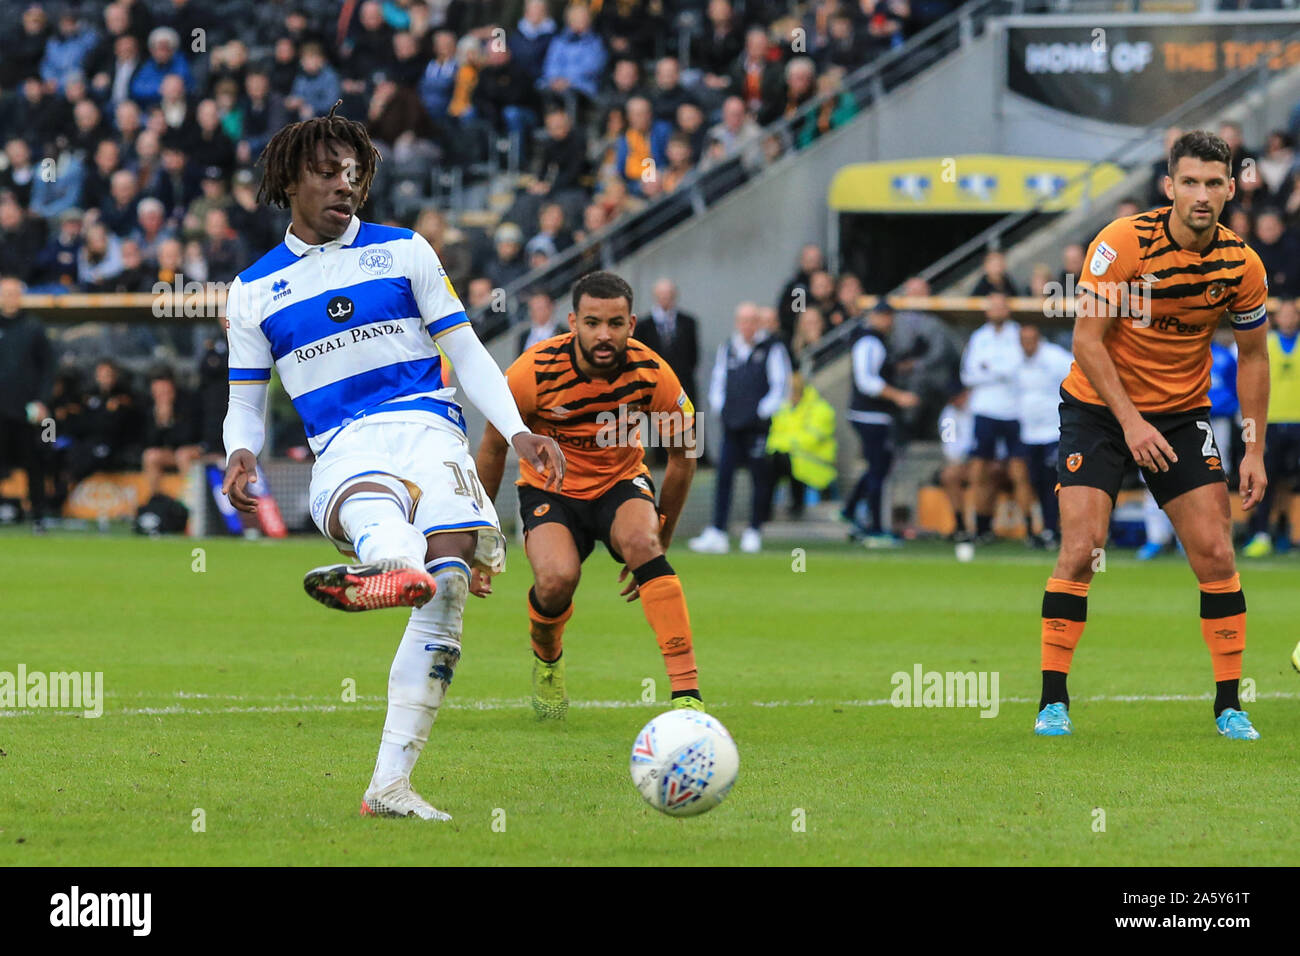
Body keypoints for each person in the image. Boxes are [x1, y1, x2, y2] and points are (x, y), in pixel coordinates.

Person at [221, 106, 564, 822]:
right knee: (390, 530)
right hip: (344, 444)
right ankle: (389, 567)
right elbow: (246, 400)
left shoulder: (406, 250)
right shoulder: (252, 291)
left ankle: (390, 786)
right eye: (325, 172)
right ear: (290, 180)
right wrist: (239, 451)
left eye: (354, 173)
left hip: (430, 430)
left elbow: (466, 351)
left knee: (448, 588)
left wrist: (518, 429)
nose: (344, 185)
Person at [1035, 130, 1270, 741]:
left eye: (1213, 183)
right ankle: (1052, 701)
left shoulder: (1242, 264)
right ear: (1168, 187)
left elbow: (1253, 359)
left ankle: (1229, 706)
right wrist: (1131, 422)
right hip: (1098, 408)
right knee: (1083, 548)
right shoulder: (1123, 244)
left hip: (1180, 415)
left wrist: (1254, 448)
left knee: (1217, 554)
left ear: (1230, 188)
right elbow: (1086, 341)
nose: (1201, 194)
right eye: (1189, 181)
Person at [475, 271, 703, 719]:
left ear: (632, 324)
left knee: (643, 544)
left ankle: (687, 693)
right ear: (573, 321)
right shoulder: (532, 371)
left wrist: (664, 532)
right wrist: (480, 539)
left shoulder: (654, 373)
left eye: (615, 324)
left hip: (619, 484)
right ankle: (547, 657)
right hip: (549, 489)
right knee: (557, 580)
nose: (604, 334)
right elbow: (492, 448)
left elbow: (683, 456)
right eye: (593, 322)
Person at [689, 302, 791, 554]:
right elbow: (718, 380)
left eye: (752, 321)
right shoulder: (729, 347)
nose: (747, 326)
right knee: (724, 475)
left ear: (759, 323)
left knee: (759, 477)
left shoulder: (772, 348)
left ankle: (754, 529)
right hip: (732, 424)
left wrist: (761, 412)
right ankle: (718, 530)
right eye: (743, 321)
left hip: (757, 426)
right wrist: (720, 408)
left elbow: (781, 386)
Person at [841, 302, 918, 546]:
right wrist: (899, 396)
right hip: (869, 415)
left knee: (879, 466)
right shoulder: (869, 341)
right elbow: (867, 381)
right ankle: (874, 527)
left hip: (874, 415)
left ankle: (852, 510)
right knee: (878, 470)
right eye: (885, 316)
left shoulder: (877, 341)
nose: (889, 321)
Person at [961, 292, 1029, 542]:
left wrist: (989, 369)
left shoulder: (1018, 334)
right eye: (993, 306)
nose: (997, 310)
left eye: (1001, 306)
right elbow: (968, 374)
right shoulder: (979, 337)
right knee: (979, 470)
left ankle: (1031, 529)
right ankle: (980, 527)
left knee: (1019, 470)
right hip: (985, 410)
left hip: (1013, 410)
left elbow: (1019, 370)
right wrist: (998, 372)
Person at [1242, 298, 1300, 557]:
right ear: (1277, 319)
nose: (1287, 319)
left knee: (1293, 484)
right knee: (1266, 480)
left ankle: (1290, 532)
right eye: (1283, 315)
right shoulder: (1266, 344)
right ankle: (1262, 534)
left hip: (1298, 421)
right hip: (1271, 423)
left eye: (1292, 315)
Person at [0, 276, 54, 531]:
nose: (10, 298)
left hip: (26, 410)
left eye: (14, 293)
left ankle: (39, 515)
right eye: (6, 293)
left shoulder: (34, 328)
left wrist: (42, 401)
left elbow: (48, 368)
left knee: (34, 461)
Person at [1014, 323, 1073, 548]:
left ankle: (1053, 529)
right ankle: (1039, 529)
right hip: (1028, 431)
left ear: (1038, 339)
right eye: (1023, 341)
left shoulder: (1055, 358)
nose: (1026, 345)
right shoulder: (1018, 362)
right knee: (1034, 481)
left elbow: (1075, 379)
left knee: (1053, 482)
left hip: (1052, 430)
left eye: (1030, 340)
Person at [766, 370, 837, 519]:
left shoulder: (820, 409)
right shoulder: (783, 408)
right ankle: (765, 509)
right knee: (770, 462)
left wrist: (786, 444)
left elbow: (811, 439)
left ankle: (795, 507)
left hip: (814, 461)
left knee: (789, 462)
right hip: (790, 457)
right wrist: (787, 445)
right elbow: (773, 435)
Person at [632, 278, 700, 408]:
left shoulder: (688, 323)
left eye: (668, 295)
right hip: (653, 388)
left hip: (682, 387)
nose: (665, 298)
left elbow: (693, 357)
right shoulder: (643, 326)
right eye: (661, 295)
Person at [140, 367, 204, 499]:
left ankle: (192, 500)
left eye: (165, 391)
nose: (162, 395)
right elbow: (149, 442)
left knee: (183, 455)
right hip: (172, 452)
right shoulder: (150, 407)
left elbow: (189, 436)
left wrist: (171, 419)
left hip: (195, 449)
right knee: (150, 456)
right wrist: (161, 421)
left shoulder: (188, 401)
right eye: (158, 392)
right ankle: (156, 500)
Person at [515, 290, 563, 355]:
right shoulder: (523, 337)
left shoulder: (563, 333)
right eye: (534, 309)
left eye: (540, 308)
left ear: (551, 307)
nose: (537, 313)